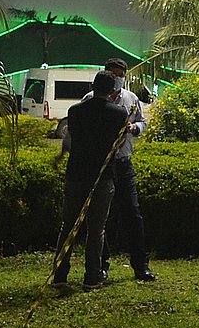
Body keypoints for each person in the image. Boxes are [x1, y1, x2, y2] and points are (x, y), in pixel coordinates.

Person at [52, 71, 128, 290]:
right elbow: (121, 142)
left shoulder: (75, 112)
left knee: (68, 226)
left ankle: (60, 275)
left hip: (76, 174)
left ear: (92, 86)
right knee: (96, 229)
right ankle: (92, 276)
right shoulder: (118, 113)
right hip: (102, 177)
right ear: (113, 90)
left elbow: (71, 139)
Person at [92, 59, 156, 282]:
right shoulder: (91, 100)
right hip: (102, 166)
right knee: (101, 218)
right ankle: (101, 266)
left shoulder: (130, 99)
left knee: (133, 214)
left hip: (123, 163)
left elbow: (142, 122)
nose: (118, 79)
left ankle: (140, 266)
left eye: (121, 75)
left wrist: (135, 128)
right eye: (114, 74)